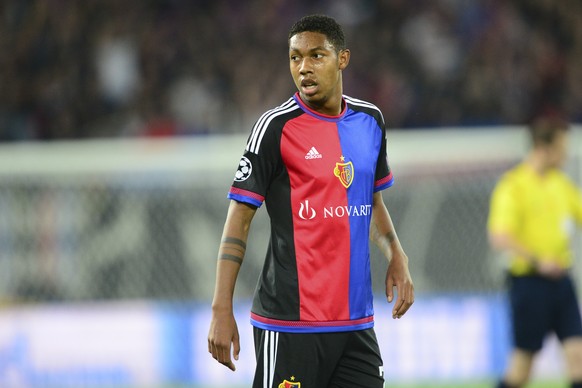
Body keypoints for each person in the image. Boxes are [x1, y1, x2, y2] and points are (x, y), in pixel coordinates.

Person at [207, 14, 414, 388]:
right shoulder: (275, 127)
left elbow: (369, 202)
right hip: (289, 324)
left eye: (317, 55)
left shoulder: (371, 121)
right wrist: (222, 306)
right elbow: (239, 218)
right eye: (294, 57)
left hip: (355, 324)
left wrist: (395, 253)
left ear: (343, 59)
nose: (304, 68)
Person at [488, 115, 582, 388]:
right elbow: (500, 236)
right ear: (544, 147)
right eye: (562, 147)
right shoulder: (514, 185)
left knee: (577, 356)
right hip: (529, 283)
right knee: (522, 367)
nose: (565, 154)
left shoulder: (560, 184)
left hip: (562, 283)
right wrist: (539, 262)